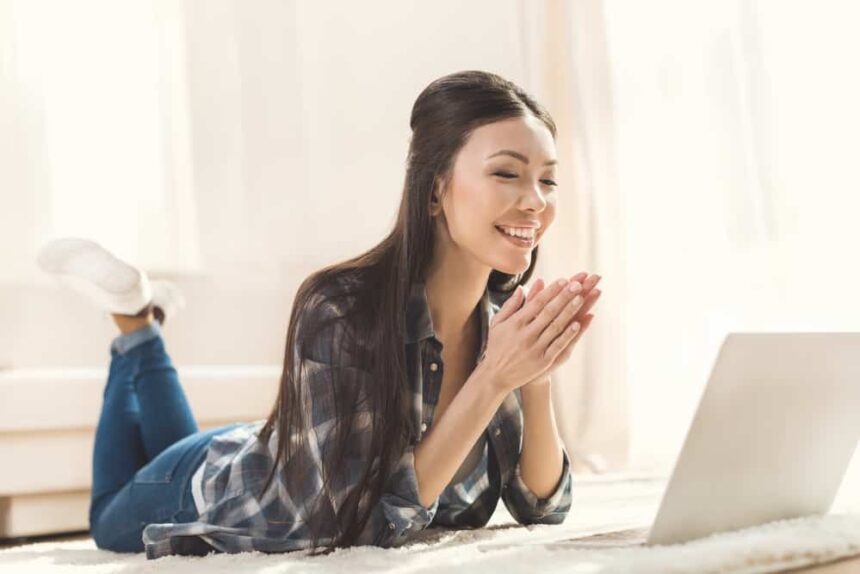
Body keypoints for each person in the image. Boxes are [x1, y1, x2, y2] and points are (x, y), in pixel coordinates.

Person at [36, 70, 602, 559]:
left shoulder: (502, 323)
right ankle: (136, 325)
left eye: (548, 179)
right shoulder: (339, 307)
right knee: (109, 518)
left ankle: (143, 316)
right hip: (226, 481)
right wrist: (494, 377)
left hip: (291, 439)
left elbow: (542, 507)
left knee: (160, 449)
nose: (536, 200)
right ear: (436, 190)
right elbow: (350, 528)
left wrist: (536, 375)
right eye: (507, 173)